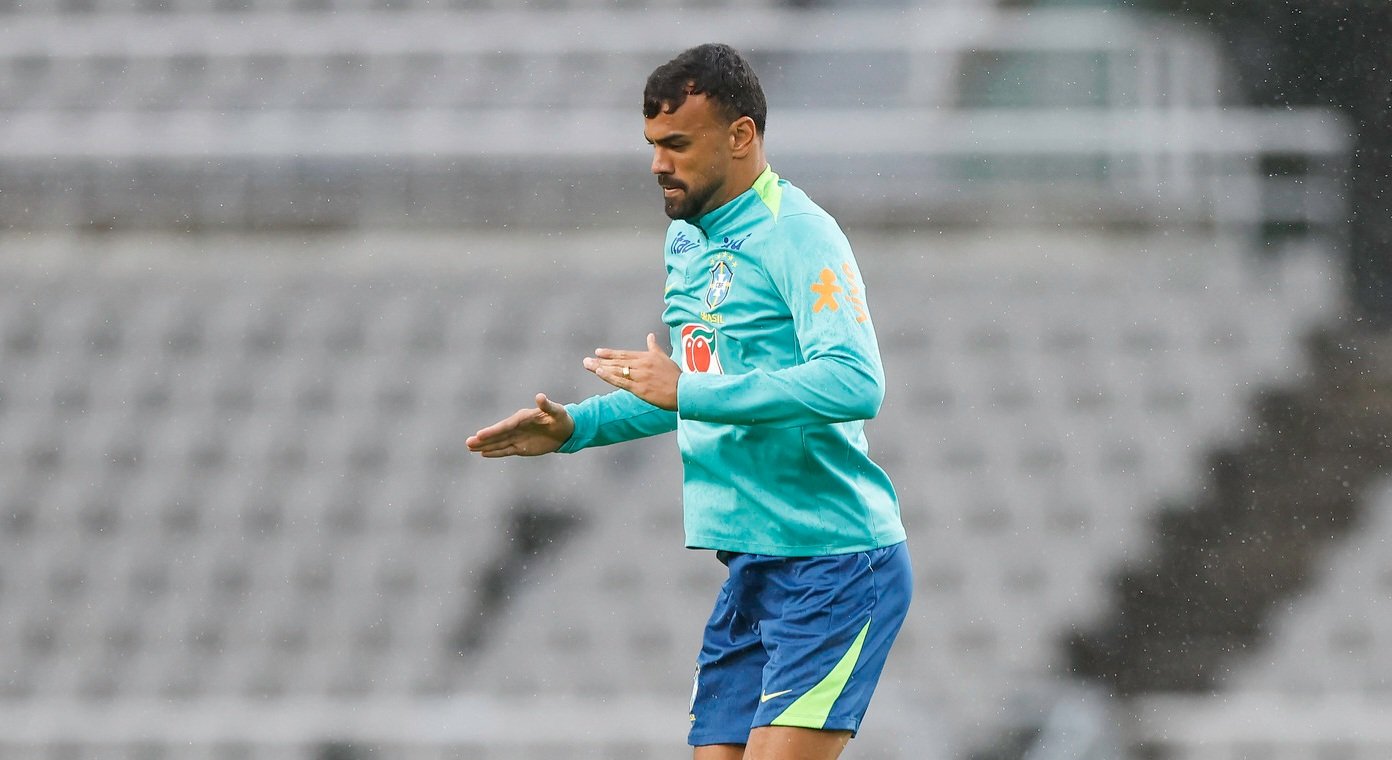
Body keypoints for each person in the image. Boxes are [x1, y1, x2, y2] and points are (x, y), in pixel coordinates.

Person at [466, 43, 911, 760]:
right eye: (651, 145)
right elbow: (693, 393)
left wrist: (691, 389)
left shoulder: (800, 235)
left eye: (676, 144)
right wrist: (575, 427)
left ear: (741, 136)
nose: (656, 164)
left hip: (834, 562)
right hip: (753, 568)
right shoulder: (687, 241)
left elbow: (857, 382)